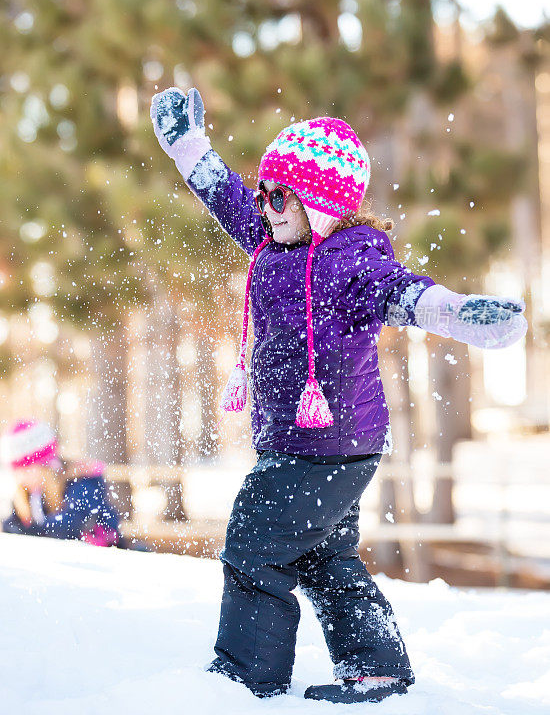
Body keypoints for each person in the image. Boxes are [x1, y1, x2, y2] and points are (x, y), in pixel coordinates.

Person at [150, 87, 527, 703]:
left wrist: (462, 315)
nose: (266, 206)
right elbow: (226, 197)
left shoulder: (350, 261)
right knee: (324, 556)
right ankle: (376, 669)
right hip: (313, 441)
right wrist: (189, 146)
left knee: (253, 545)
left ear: (322, 206)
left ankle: (245, 682)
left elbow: (404, 294)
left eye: (282, 196)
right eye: (266, 192)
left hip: (326, 443)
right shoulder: (273, 242)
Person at [1, 420, 121, 547]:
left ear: (45, 465)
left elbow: (70, 525)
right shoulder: (29, 493)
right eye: (16, 473)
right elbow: (12, 523)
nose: (21, 478)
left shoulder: (80, 484)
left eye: (26, 471)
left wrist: (30, 530)